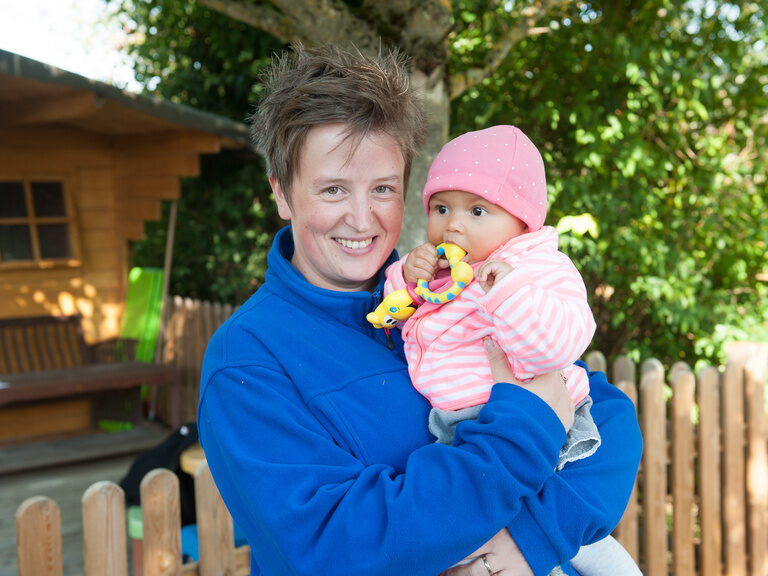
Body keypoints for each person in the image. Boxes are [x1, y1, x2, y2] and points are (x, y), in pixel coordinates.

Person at [197, 43, 642, 576]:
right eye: (333, 189)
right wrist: (523, 433)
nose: (362, 219)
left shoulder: (445, 292)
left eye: (382, 189)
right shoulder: (246, 360)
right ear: (282, 194)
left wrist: (532, 538)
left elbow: (607, 414)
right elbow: (331, 545)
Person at [377, 125, 640, 575]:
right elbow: (401, 316)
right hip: (464, 425)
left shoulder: (534, 268)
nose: (453, 224)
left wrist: (508, 293)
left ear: (521, 221)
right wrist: (406, 278)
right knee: (498, 531)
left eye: (477, 210)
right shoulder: (446, 270)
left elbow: (560, 343)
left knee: (565, 536)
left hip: (536, 419)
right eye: (441, 208)